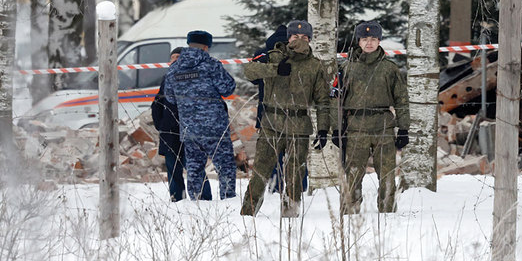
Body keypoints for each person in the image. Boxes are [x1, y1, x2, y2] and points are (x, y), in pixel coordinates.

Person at [240, 20, 331, 217]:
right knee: (261, 172)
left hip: (299, 126)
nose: (300, 41)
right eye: (295, 37)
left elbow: (323, 101)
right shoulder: (273, 57)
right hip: (272, 123)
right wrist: (275, 70)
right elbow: (248, 71)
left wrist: (323, 130)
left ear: (310, 40)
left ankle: (290, 214)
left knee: (295, 174)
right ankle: (248, 214)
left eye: (304, 38)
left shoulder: (315, 66)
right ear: (288, 38)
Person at [332, 21, 409, 214]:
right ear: (358, 41)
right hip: (355, 128)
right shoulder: (346, 68)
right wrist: (336, 129)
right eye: (365, 39)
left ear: (379, 41)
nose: (369, 43)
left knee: (387, 174)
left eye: (373, 39)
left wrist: (404, 128)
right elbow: (336, 101)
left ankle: (388, 211)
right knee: (353, 174)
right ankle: (350, 211)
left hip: (383, 127)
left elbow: (401, 100)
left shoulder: (389, 69)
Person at [164, 31, 239, 200]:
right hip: (215, 127)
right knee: (225, 166)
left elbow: (170, 98)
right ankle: (228, 202)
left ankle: (197, 203)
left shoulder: (174, 68)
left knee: (194, 168)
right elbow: (228, 88)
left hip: (189, 129)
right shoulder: (211, 65)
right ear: (206, 47)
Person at [151, 47, 212, 201]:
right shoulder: (167, 78)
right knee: (172, 167)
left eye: (179, 57)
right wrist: (161, 124)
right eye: (173, 57)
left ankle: (204, 199)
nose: (176, 60)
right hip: (170, 131)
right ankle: (177, 198)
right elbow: (157, 103)